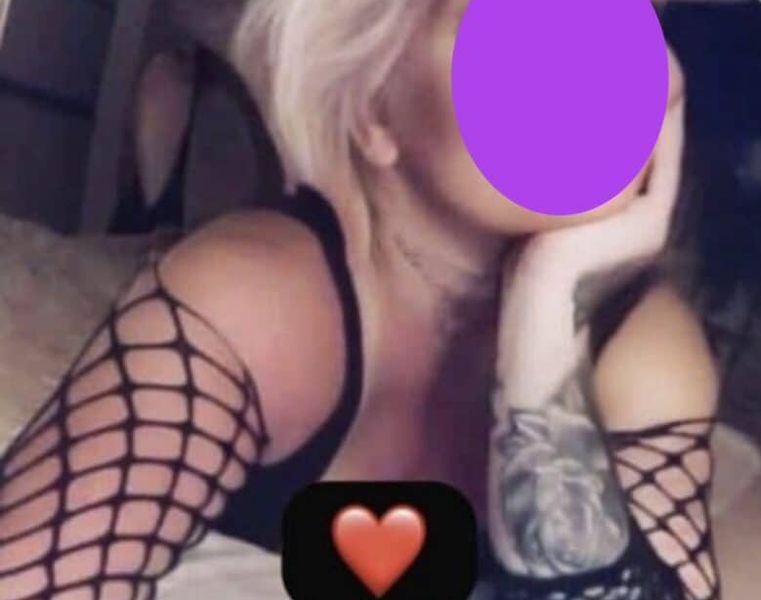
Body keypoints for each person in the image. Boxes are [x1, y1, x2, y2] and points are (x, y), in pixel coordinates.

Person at [0, 1, 720, 599]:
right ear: (375, 110)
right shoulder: (256, 297)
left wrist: (548, 311)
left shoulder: (643, 347)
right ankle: (169, 185)